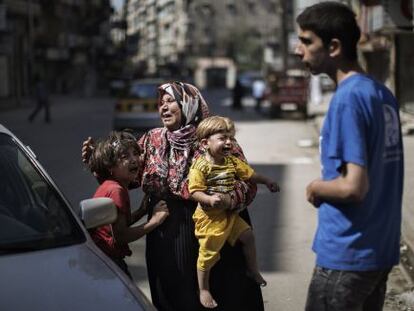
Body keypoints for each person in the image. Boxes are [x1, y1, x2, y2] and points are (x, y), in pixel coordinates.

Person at [82, 82, 265, 311]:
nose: (163, 107)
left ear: (189, 103)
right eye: (160, 103)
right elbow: (126, 175)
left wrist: (227, 198)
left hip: (215, 223)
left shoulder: (215, 138)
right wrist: (98, 163)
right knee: (175, 296)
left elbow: (247, 182)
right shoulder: (153, 140)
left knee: (224, 292)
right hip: (168, 232)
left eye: (170, 101)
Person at [295, 2, 404, 310]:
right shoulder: (380, 93)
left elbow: (352, 186)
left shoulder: (348, 99)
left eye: (306, 41)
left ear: (333, 47)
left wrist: (315, 187)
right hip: (380, 251)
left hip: (347, 253)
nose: (298, 50)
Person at [189, 115, 280, 308]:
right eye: (223, 138)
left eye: (230, 138)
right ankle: (203, 289)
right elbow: (194, 191)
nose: (229, 142)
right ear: (205, 143)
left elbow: (250, 174)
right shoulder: (200, 166)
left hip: (229, 215)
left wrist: (267, 181)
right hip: (210, 219)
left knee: (248, 236)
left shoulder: (231, 161)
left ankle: (253, 270)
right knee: (207, 255)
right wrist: (208, 199)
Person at [87, 130, 169, 278]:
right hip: (110, 261)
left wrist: (142, 211)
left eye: (135, 154)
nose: (134, 160)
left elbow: (117, 225)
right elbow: (121, 236)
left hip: (101, 259)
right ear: (110, 167)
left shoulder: (110, 185)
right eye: (125, 156)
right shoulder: (116, 190)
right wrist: (154, 221)